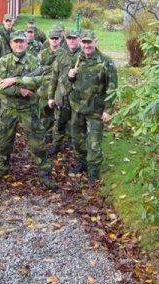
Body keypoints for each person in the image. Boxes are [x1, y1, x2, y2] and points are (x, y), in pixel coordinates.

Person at [0, 31, 58, 190]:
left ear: (26, 43)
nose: (19, 44)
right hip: (9, 108)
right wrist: (19, 91)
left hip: (29, 109)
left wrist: (14, 80)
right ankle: (1, 168)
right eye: (16, 42)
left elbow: (37, 81)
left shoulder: (34, 60)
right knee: (4, 141)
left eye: (21, 41)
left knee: (38, 142)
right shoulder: (4, 61)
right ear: (11, 44)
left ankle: (44, 172)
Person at [68, 30, 118, 182]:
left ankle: (93, 171)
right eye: (84, 42)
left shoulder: (105, 62)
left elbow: (112, 88)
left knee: (94, 143)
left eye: (89, 42)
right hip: (77, 108)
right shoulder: (77, 58)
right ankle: (83, 162)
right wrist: (70, 76)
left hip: (95, 110)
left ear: (95, 42)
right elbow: (72, 80)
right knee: (77, 140)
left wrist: (108, 110)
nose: (86, 45)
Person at [47, 29, 81, 156]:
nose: (72, 41)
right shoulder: (61, 54)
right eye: (69, 38)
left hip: (77, 97)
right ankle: (56, 145)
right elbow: (54, 77)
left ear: (79, 40)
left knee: (76, 123)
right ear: (66, 40)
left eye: (74, 38)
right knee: (59, 123)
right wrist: (50, 97)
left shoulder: (84, 55)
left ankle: (74, 144)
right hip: (61, 96)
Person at [37, 28, 63, 140]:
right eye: (52, 38)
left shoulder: (65, 54)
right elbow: (37, 70)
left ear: (60, 39)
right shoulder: (42, 54)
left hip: (60, 89)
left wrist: (47, 69)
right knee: (44, 112)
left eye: (56, 38)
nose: (54, 40)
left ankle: (58, 135)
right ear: (49, 39)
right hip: (44, 89)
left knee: (59, 114)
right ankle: (47, 133)